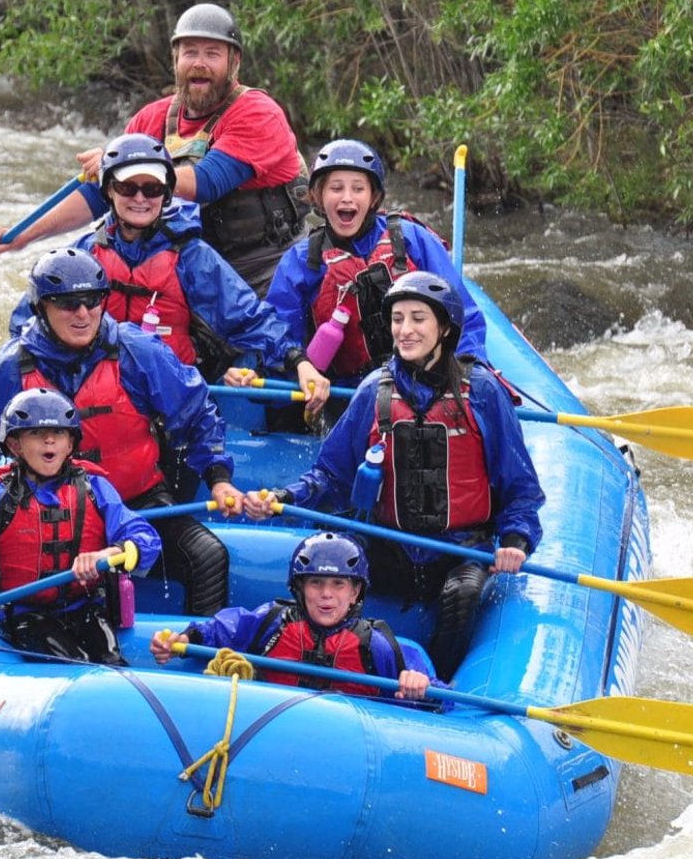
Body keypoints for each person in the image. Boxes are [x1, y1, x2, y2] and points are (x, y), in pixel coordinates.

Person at [243, 271, 544, 681]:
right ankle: (335, 670)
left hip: (458, 549)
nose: (405, 330)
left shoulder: (483, 393)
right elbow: (330, 475)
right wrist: (284, 497)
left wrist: (514, 539)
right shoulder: (374, 390)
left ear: (445, 328)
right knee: (329, 570)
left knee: (463, 594)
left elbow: (521, 488)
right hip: (390, 546)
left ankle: (434, 685)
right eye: (398, 319)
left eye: (418, 318)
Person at [0, 247, 246, 616]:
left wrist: (217, 477)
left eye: (92, 300)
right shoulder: (9, 370)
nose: (83, 313)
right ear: (42, 308)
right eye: (68, 303)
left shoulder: (137, 351)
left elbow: (197, 413)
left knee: (208, 557)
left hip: (139, 506)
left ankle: (205, 658)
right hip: (44, 511)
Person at [0, 3, 308, 296]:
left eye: (212, 54)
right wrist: (24, 235)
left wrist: (122, 162)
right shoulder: (150, 119)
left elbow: (208, 183)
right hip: (188, 266)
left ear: (233, 63)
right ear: (176, 60)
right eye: (190, 52)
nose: (200, 64)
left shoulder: (258, 113)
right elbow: (100, 196)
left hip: (265, 268)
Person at [7, 132, 330, 411]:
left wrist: (299, 362)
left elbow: (249, 319)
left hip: (167, 397)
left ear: (166, 194)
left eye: (152, 189)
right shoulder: (84, 254)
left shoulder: (191, 257)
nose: (139, 198)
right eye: (127, 187)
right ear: (108, 191)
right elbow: (28, 324)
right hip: (90, 396)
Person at [259, 139, 488, 425]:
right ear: (317, 196)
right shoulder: (303, 261)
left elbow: (463, 315)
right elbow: (277, 332)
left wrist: (469, 370)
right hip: (349, 395)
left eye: (358, 188)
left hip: (425, 383)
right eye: (336, 188)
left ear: (373, 196)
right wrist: (299, 366)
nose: (347, 198)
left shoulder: (410, 238)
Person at [0, 388, 163, 663]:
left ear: (70, 444)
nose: (48, 440)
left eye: (58, 433)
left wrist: (109, 554)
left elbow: (144, 536)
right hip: (26, 614)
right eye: (34, 433)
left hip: (87, 607)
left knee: (111, 661)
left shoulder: (95, 488)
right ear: (15, 445)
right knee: (74, 661)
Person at [150, 532, 438, 700]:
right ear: (299, 589)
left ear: (355, 593)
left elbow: (438, 696)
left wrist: (419, 687)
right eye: (316, 583)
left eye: (338, 585)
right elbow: (219, 631)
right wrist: (184, 639)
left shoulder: (377, 646)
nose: (327, 594)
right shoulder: (272, 620)